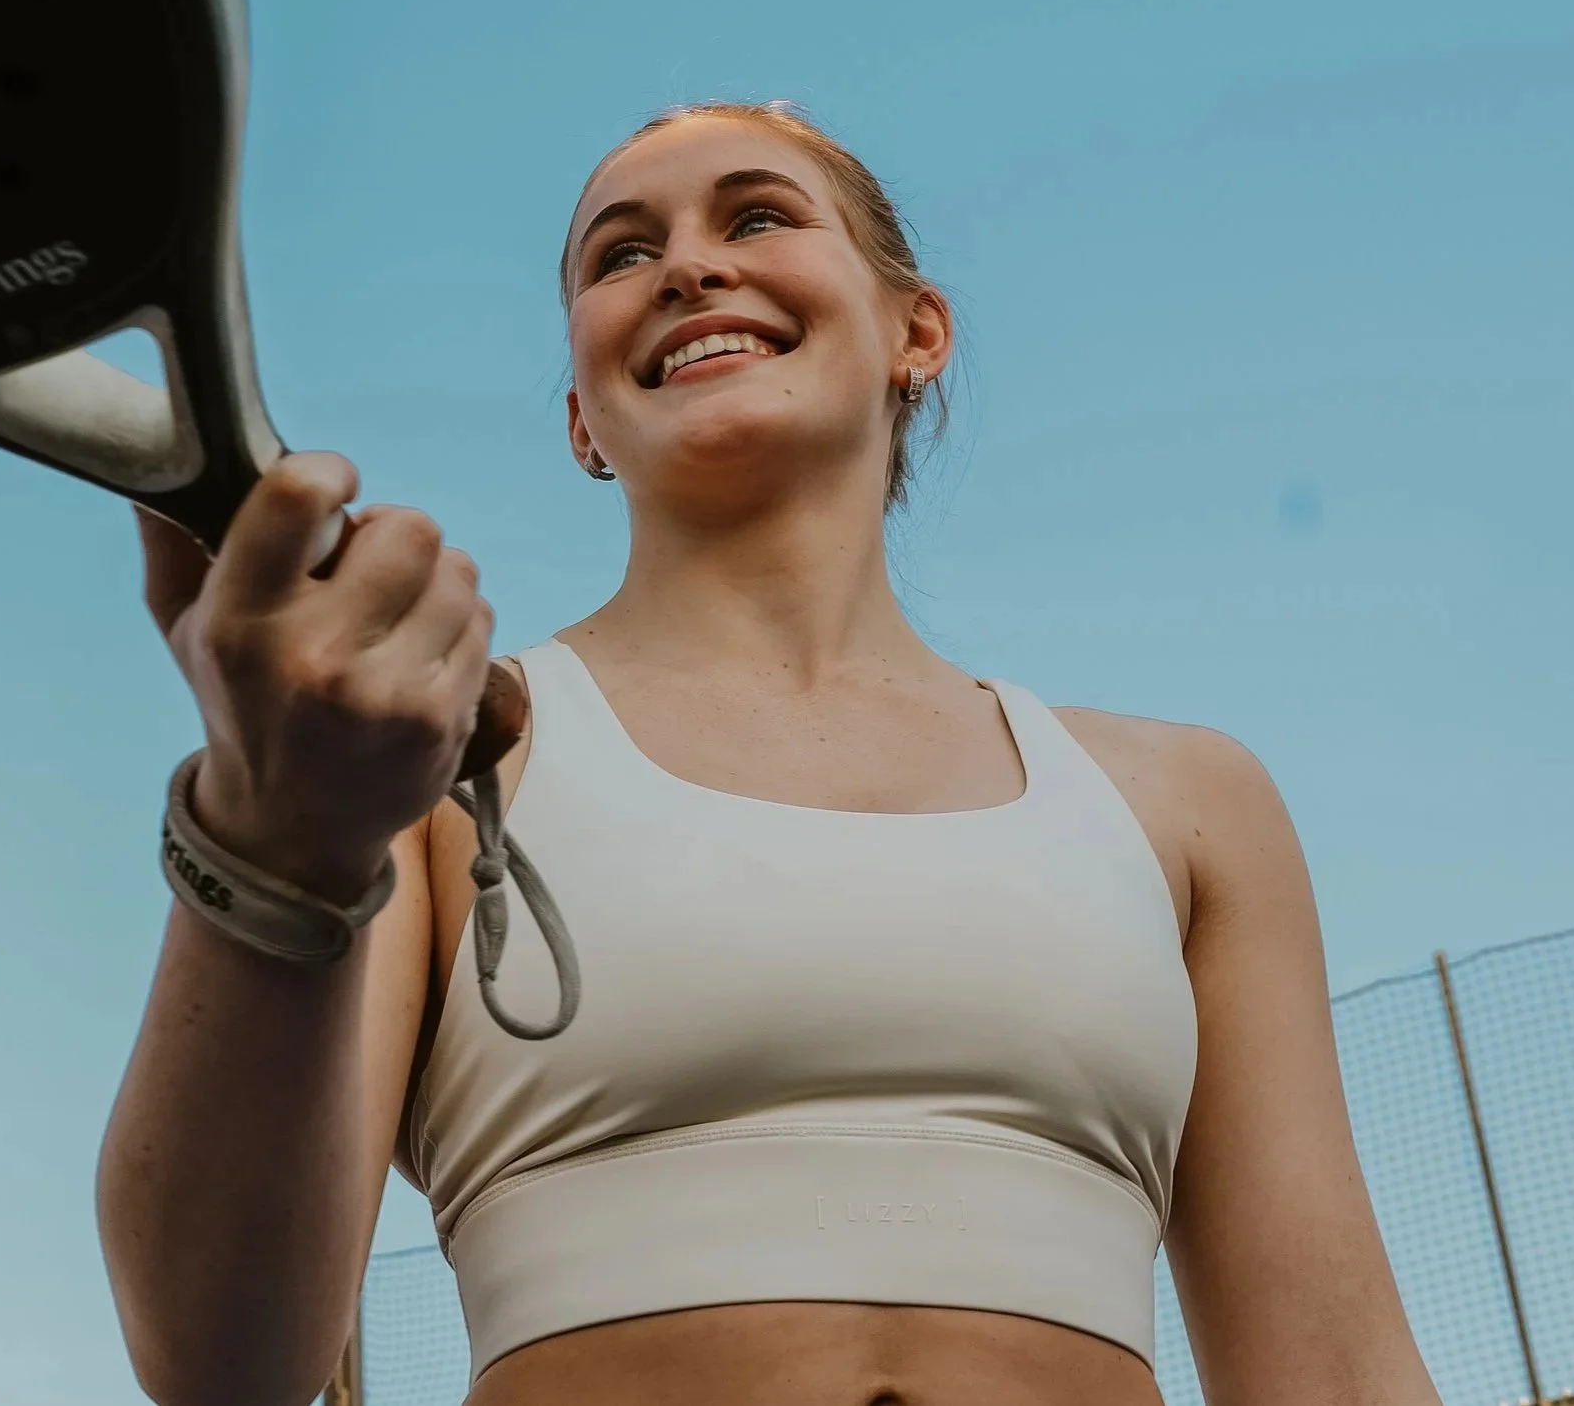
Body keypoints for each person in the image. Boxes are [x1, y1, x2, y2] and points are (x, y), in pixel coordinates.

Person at [99, 102, 1440, 1406]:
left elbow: (1329, 1371)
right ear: (580, 414)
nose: (685, 263)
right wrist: (269, 842)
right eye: (619, 254)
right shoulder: (422, 755)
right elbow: (222, 1362)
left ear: (916, 331)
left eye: (757, 214)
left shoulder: (1190, 803)